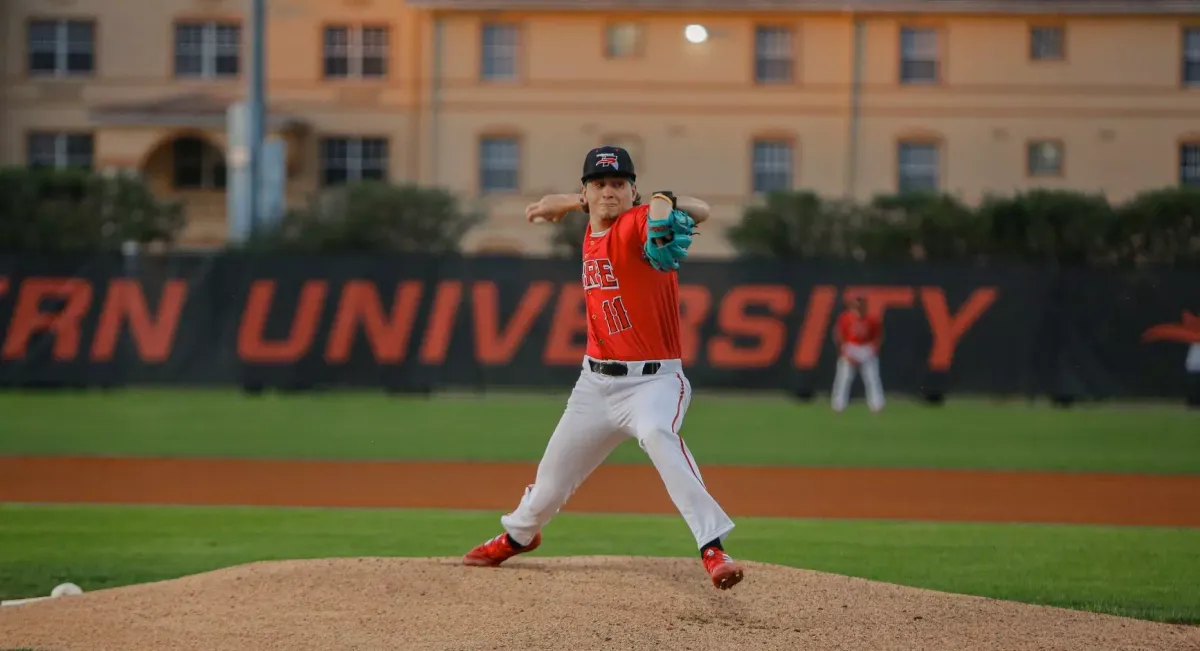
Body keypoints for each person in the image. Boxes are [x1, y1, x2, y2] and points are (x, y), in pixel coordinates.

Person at [462, 145, 745, 590]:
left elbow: (701, 209)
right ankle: (518, 535)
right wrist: (565, 202)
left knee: (657, 433)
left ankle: (712, 546)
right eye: (599, 184)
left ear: (634, 191)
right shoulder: (593, 228)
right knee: (550, 481)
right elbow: (593, 207)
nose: (609, 192)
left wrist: (661, 206)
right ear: (586, 192)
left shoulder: (638, 223)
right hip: (594, 385)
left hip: (654, 383)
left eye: (618, 184)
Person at [830, 296, 885, 412]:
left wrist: (872, 350)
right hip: (851, 346)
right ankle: (838, 406)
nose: (858, 308)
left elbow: (877, 337)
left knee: (872, 378)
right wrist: (844, 352)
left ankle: (877, 405)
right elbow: (839, 335)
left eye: (861, 305)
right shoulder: (845, 318)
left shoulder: (872, 319)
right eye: (856, 305)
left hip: (866, 348)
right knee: (843, 378)